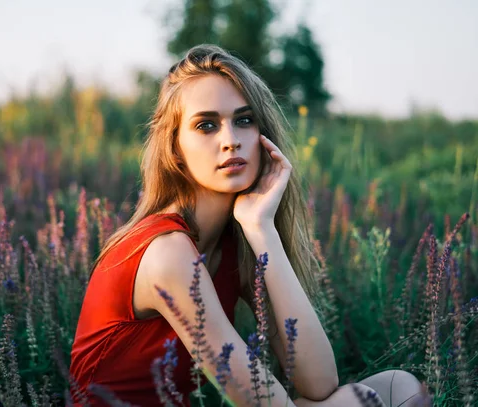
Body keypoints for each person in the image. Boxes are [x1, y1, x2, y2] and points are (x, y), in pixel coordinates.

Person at [69, 44, 423, 406]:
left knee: (400, 387)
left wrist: (261, 229)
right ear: (174, 147)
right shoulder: (167, 252)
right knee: (366, 401)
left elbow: (318, 382)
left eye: (244, 120)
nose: (231, 140)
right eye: (206, 125)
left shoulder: (229, 245)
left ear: (262, 135)